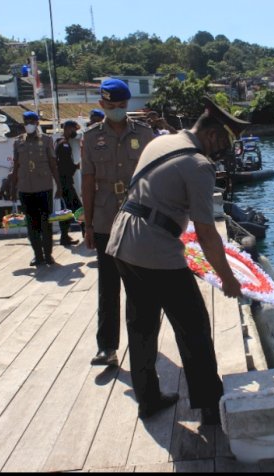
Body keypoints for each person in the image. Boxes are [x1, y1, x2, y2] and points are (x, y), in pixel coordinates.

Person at [105, 97, 245, 423]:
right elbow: (208, 234)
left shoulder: (163, 141)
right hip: (154, 249)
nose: (223, 150)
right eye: (224, 142)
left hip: (123, 241)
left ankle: (148, 399)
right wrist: (228, 278)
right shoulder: (198, 165)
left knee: (141, 326)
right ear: (212, 135)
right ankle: (211, 406)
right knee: (193, 325)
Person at [81, 78, 155, 367]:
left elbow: (155, 177)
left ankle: (142, 345)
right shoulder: (90, 138)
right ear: (102, 105)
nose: (117, 110)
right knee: (108, 287)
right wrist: (87, 224)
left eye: (122, 106)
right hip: (104, 221)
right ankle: (107, 348)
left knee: (140, 288)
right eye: (111, 106)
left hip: (138, 219)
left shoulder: (145, 133)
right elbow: (87, 182)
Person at [10, 111, 63, 267]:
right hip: (25, 188)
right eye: (26, 122)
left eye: (32, 121)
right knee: (31, 225)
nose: (29, 124)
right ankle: (37, 255)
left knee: (45, 224)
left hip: (44, 187)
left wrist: (58, 186)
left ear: (37, 123)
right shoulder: (18, 142)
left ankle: (48, 255)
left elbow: (53, 164)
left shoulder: (46, 141)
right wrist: (13, 190)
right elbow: (16, 167)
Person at [54, 120, 82, 246]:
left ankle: (64, 237)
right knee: (78, 209)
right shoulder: (64, 144)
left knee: (65, 211)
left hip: (63, 183)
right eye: (74, 129)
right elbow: (64, 165)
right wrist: (76, 166)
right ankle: (86, 233)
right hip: (65, 183)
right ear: (68, 128)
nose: (75, 132)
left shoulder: (59, 142)